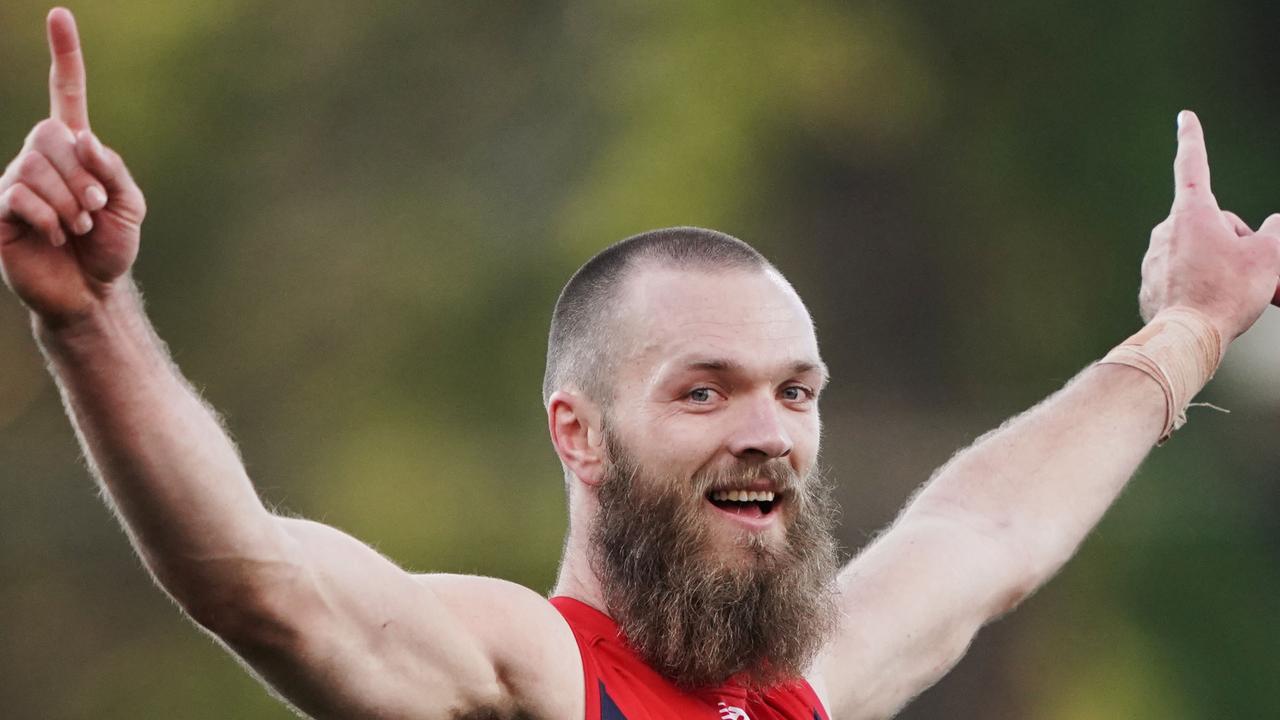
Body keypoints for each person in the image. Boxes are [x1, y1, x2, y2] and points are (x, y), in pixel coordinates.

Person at [4, 8, 1278, 720]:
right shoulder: (532, 675)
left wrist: (1186, 331)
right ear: (578, 433)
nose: (768, 430)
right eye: (701, 390)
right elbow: (261, 584)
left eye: (794, 391)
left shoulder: (801, 689)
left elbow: (988, 530)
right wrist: (89, 319)